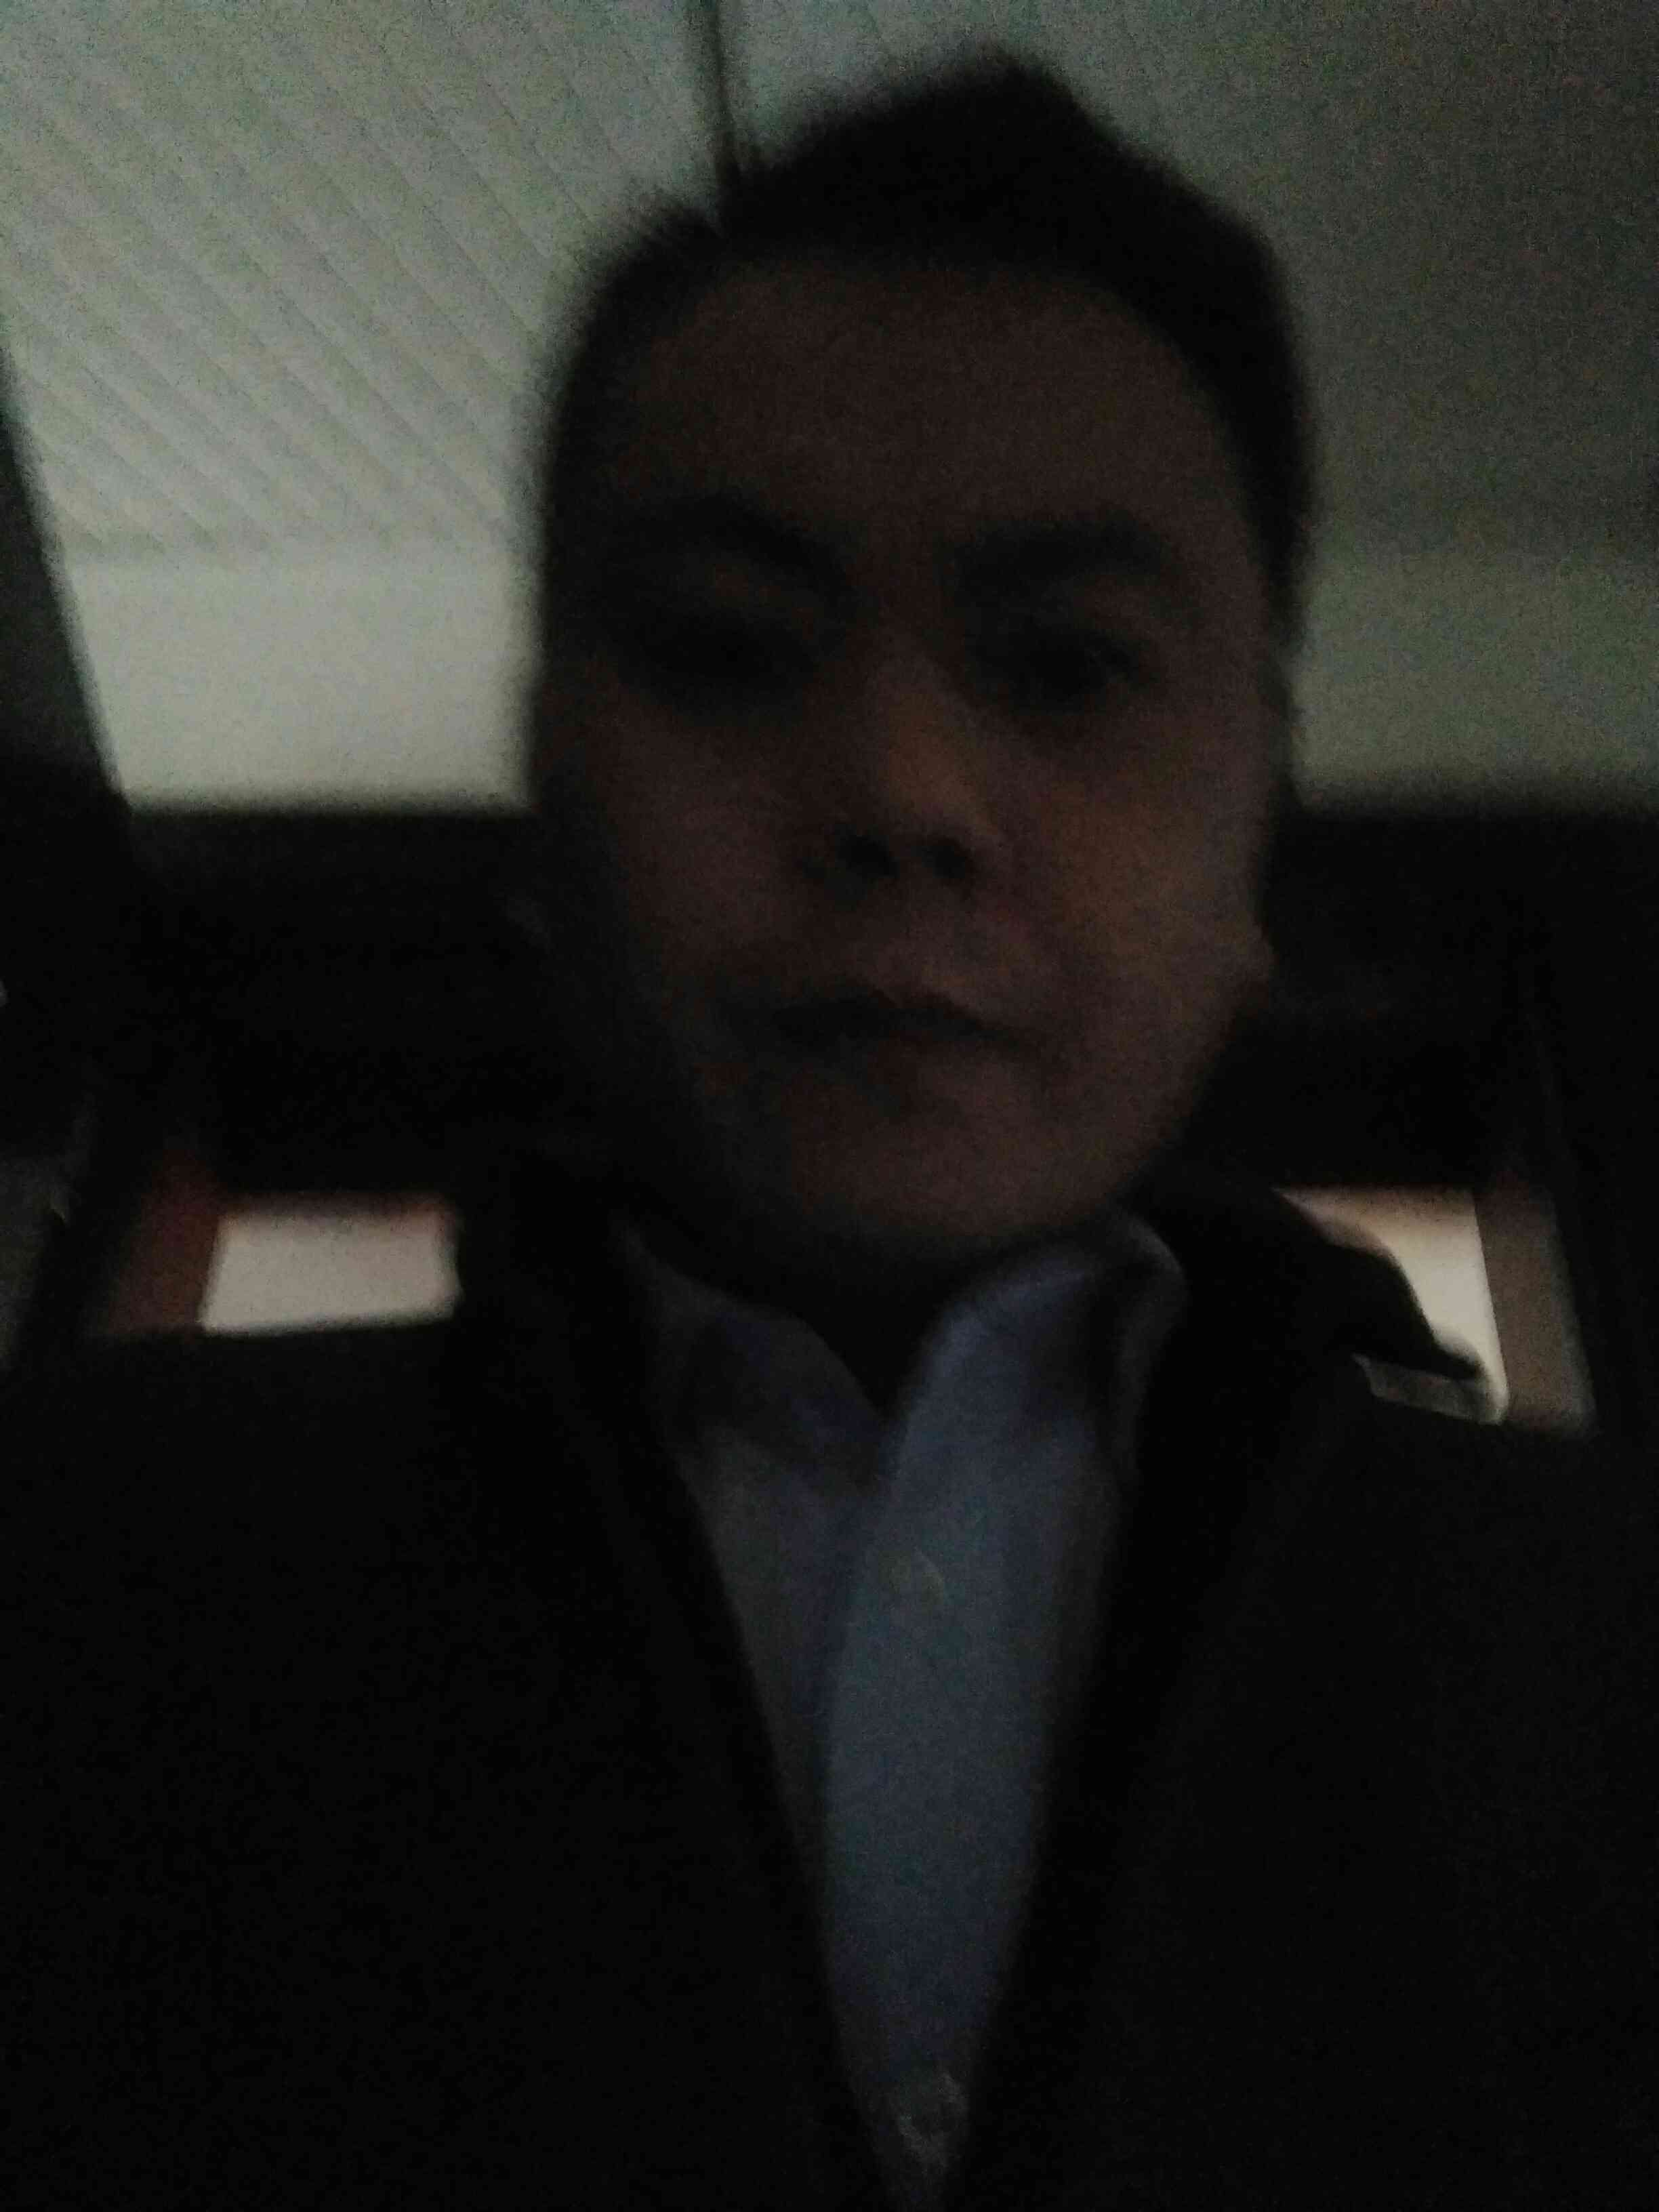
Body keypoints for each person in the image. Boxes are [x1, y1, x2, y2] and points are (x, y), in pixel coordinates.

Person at [6, 51, 1657, 2212]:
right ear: (548, 790)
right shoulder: (79, 1575)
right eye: (725, 647)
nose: (901, 791)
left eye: (1069, 665)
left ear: (1259, 816)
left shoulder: (1608, 1639)